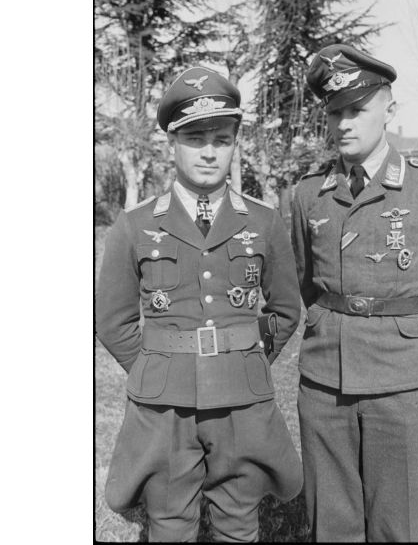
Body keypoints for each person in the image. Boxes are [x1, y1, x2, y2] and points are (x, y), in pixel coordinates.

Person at [96, 65, 303, 542]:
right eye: (195, 137)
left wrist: (242, 356)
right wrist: (160, 363)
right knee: (169, 520)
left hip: (241, 400)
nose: (209, 151)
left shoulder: (266, 222)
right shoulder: (135, 225)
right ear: (172, 142)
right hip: (164, 404)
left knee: (239, 519)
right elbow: (112, 321)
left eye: (222, 138)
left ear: (234, 143)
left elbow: (286, 310)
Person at [291, 44, 418, 542]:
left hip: (402, 381)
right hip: (324, 381)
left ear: (389, 110)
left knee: (400, 522)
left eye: (357, 110)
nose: (344, 123)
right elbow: (307, 281)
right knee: (331, 520)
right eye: (335, 112)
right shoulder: (307, 194)